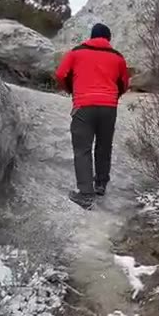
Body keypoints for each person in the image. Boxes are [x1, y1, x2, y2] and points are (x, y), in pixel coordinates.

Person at [54, 23, 131, 209]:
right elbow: (124, 83)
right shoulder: (117, 57)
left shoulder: (76, 53)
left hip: (83, 106)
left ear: (91, 36)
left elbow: (60, 74)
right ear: (108, 39)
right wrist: (113, 96)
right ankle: (101, 184)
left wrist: (72, 91)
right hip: (109, 108)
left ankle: (86, 195)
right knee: (104, 146)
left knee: (83, 149)